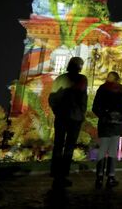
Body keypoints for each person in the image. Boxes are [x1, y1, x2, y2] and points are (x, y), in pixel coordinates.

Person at [48, 57, 88, 188]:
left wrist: (56, 110)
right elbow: (83, 98)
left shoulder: (60, 79)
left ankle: (55, 174)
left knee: (58, 144)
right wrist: (82, 112)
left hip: (61, 115)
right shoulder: (82, 79)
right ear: (79, 67)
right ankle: (63, 175)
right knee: (69, 146)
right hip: (74, 117)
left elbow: (52, 98)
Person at [92, 71, 122, 188]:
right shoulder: (120, 91)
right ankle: (111, 176)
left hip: (104, 122)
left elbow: (95, 107)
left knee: (103, 149)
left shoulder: (102, 89)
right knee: (112, 150)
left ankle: (99, 176)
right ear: (118, 79)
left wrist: (103, 115)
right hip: (116, 123)